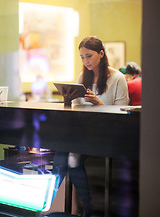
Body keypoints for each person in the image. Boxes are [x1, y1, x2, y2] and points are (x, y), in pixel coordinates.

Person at [52, 36, 129, 217]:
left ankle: (86, 207)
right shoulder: (82, 77)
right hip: (85, 130)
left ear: (101, 54)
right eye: (82, 57)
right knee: (61, 150)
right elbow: (78, 110)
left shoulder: (117, 78)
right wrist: (67, 100)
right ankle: (57, 200)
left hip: (107, 132)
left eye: (89, 56)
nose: (85, 61)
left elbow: (123, 115)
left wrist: (98, 103)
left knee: (72, 156)